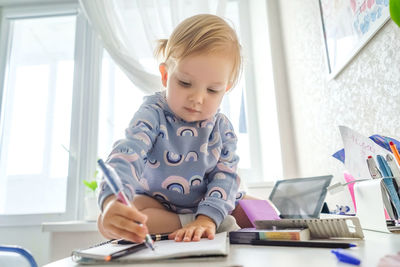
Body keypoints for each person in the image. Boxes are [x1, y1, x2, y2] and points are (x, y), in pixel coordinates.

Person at [97, 14, 253, 244]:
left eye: (212, 90)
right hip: (157, 204)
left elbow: (226, 177)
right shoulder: (152, 112)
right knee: (108, 222)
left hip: (206, 202)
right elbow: (128, 152)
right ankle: (195, 223)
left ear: (225, 89)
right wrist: (112, 199)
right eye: (185, 83)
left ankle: (210, 221)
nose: (197, 98)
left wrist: (208, 216)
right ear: (165, 75)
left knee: (256, 209)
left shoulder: (222, 128)